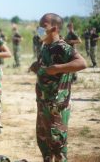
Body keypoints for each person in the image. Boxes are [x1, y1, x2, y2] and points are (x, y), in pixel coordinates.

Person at [29, 13, 86, 162]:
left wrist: (58, 68)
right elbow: (46, 67)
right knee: (44, 141)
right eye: (39, 26)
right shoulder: (45, 46)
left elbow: (82, 63)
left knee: (58, 144)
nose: (40, 29)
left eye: (44, 26)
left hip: (56, 105)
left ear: (54, 28)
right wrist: (37, 67)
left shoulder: (62, 47)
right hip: (43, 102)